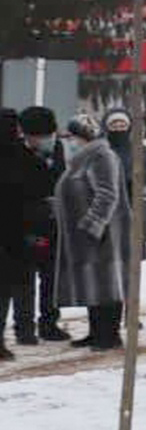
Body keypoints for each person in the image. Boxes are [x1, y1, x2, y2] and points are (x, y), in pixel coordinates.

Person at [52, 114, 128, 351]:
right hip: (88, 237)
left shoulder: (101, 156)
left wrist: (92, 225)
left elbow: (107, 194)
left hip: (104, 235)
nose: (70, 141)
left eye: (72, 136)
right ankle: (96, 332)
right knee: (92, 285)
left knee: (107, 285)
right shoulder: (83, 158)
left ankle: (110, 336)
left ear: (83, 136)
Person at [14, 107, 68, 343]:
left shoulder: (59, 148)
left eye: (45, 136)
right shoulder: (15, 152)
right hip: (25, 224)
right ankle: (24, 328)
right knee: (24, 278)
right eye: (34, 136)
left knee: (51, 276)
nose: (40, 141)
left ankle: (49, 323)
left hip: (54, 223)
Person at [0, 109, 35, 359]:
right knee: (7, 290)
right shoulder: (21, 155)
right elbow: (43, 184)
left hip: (13, 234)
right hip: (15, 236)